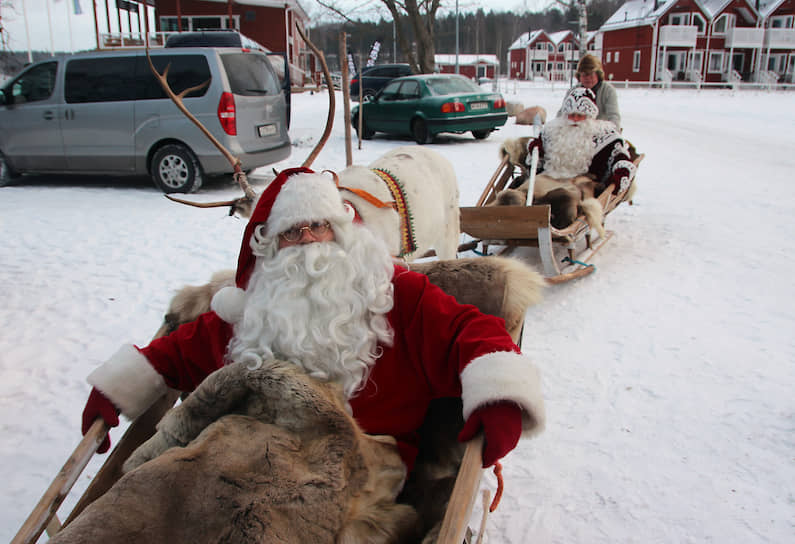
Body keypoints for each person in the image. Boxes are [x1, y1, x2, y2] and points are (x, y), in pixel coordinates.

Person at [81, 166, 546, 473]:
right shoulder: (253, 312)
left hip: (363, 468)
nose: (308, 242)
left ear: (342, 233)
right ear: (271, 248)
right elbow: (183, 349)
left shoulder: (397, 295)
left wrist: (499, 395)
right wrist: (117, 387)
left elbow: (472, 331)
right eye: (292, 232)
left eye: (319, 226)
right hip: (255, 457)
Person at [558, 53, 621, 131]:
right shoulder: (573, 91)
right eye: (584, 75)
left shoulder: (608, 91)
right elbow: (561, 114)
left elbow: (614, 116)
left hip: (600, 132)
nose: (587, 78)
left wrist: (613, 134)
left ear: (598, 74)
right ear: (579, 76)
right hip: (576, 133)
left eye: (591, 75)